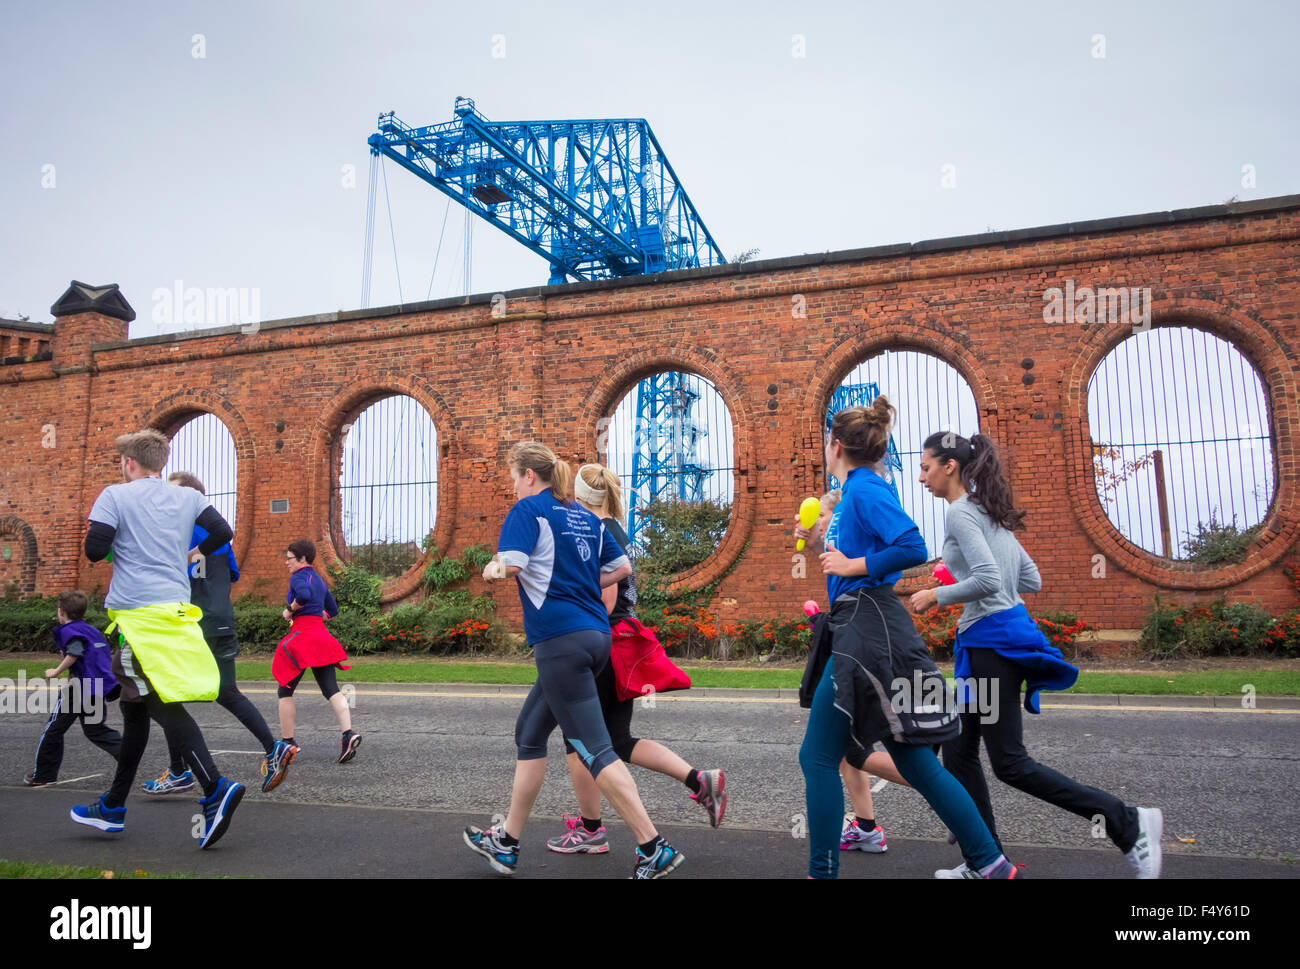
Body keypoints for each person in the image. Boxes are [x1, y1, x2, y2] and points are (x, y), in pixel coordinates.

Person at [909, 431, 1163, 878]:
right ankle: (984, 861)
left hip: (991, 645)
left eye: (926, 466)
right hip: (993, 639)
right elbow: (1029, 578)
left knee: (1010, 764)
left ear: (950, 466)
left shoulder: (960, 515)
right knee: (958, 752)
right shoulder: (989, 515)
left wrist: (939, 592)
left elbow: (989, 579)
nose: (921, 476)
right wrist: (965, 577)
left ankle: (1128, 823)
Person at [794, 400, 1021, 879]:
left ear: (835, 446)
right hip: (868, 628)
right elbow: (850, 562)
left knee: (817, 757)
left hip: (866, 634)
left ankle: (822, 872)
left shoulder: (865, 488)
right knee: (915, 761)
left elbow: (911, 545)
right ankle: (989, 862)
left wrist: (854, 566)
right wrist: (820, 545)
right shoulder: (854, 492)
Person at [463, 441, 684, 878]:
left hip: (560, 641)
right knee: (530, 732)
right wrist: (580, 579)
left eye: (513, 477)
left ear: (529, 475)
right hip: (596, 638)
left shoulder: (529, 512)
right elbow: (622, 567)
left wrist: (491, 569)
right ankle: (506, 842)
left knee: (593, 748)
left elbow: (510, 565)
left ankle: (652, 846)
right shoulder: (585, 516)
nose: (512, 485)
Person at [72, 428, 244, 849]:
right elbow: (222, 531)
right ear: (159, 463)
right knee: (135, 709)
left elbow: (94, 550)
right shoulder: (187, 498)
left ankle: (213, 787)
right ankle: (113, 806)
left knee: (160, 702)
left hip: (137, 618)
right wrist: (194, 552)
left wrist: (122, 542)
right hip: (176, 612)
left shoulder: (115, 495)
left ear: (129, 462)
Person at [545, 463, 725, 855]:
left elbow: (604, 601)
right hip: (621, 645)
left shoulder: (596, 532)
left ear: (579, 497)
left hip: (602, 646)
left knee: (579, 741)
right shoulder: (614, 529)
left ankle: (592, 831)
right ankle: (698, 780)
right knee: (617, 740)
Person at [142, 472, 290, 795]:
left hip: (192, 624)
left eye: (173, 492)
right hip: (221, 620)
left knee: (167, 696)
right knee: (227, 692)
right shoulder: (220, 540)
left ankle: (181, 771)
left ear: (189, 497)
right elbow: (231, 575)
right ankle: (272, 747)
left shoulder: (180, 531)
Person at [798, 490, 910, 854]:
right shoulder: (839, 550)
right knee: (848, 749)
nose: (820, 526)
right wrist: (815, 545)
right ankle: (865, 827)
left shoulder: (858, 539)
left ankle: (952, 787)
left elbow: (904, 553)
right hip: (851, 636)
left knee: (847, 751)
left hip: (862, 642)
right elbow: (838, 567)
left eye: (825, 520)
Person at [273, 539, 360, 765]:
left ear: (302, 559)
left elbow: (301, 595)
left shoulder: (298, 577)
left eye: (290, 558)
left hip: (301, 639)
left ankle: (288, 742)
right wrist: (315, 615)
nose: (286, 562)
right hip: (321, 637)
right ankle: (348, 734)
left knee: (285, 691)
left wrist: (289, 610)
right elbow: (333, 610)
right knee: (331, 689)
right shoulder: (319, 581)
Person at [25, 590, 122, 786]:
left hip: (79, 688)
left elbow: (75, 652)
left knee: (53, 729)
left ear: (61, 612)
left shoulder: (69, 631)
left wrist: (57, 671)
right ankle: (128, 756)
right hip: (95, 687)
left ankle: (43, 775)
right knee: (96, 730)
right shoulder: (91, 630)